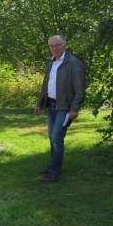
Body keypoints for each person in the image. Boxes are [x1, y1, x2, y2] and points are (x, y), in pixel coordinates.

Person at [34, 35, 85, 182]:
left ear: (64, 45)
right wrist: (39, 104)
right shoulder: (51, 62)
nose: (54, 48)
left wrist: (74, 109)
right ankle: (54, 167)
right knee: (52, 138)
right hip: (50, 105)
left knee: (56, 138)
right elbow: (45, 85)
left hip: (64, 107)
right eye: (51, 46)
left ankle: (54, 171)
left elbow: (80, 89)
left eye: (57, 45)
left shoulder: (73, 63)